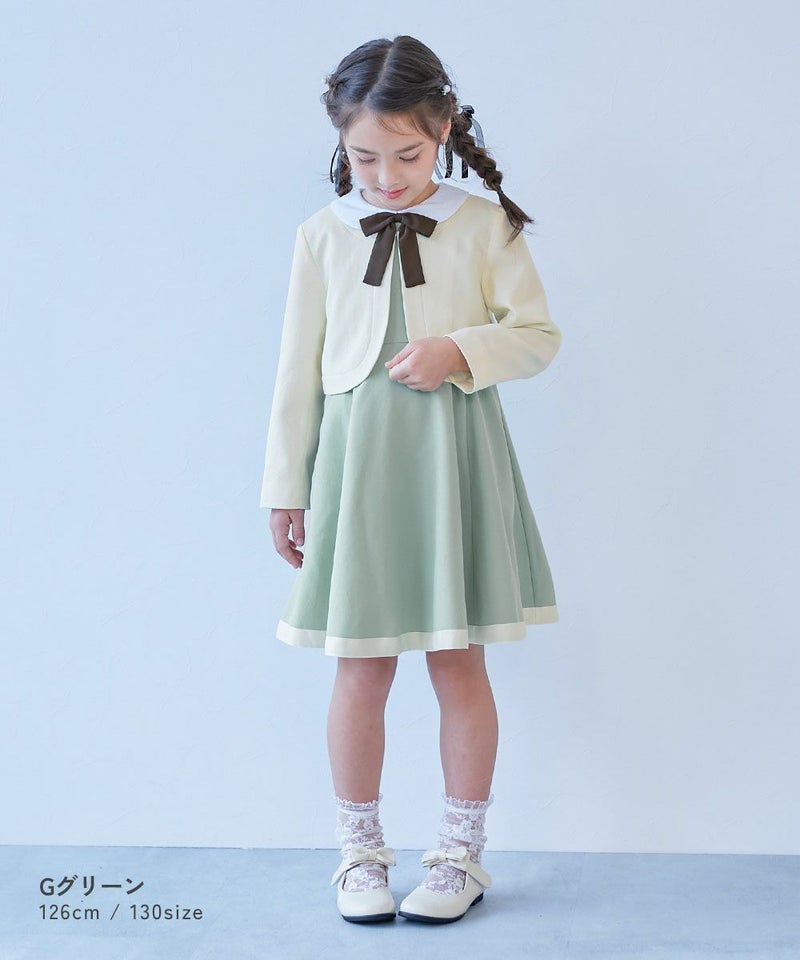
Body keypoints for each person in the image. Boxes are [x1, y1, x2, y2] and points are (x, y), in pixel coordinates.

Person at [259, 34, 562, 925]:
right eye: (364, 158)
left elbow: (537, 336)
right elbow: (296, 370)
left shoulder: (483, 225)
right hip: (356, 472)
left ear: (444, 132)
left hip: (452, 459)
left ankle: (460, 855)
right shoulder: (321, 235)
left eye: (407, 155)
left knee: (458, 661)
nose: (386, 177)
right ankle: (359, 853)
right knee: (359, 666)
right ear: (339, 143)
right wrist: (286, 487)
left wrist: (458, 349)